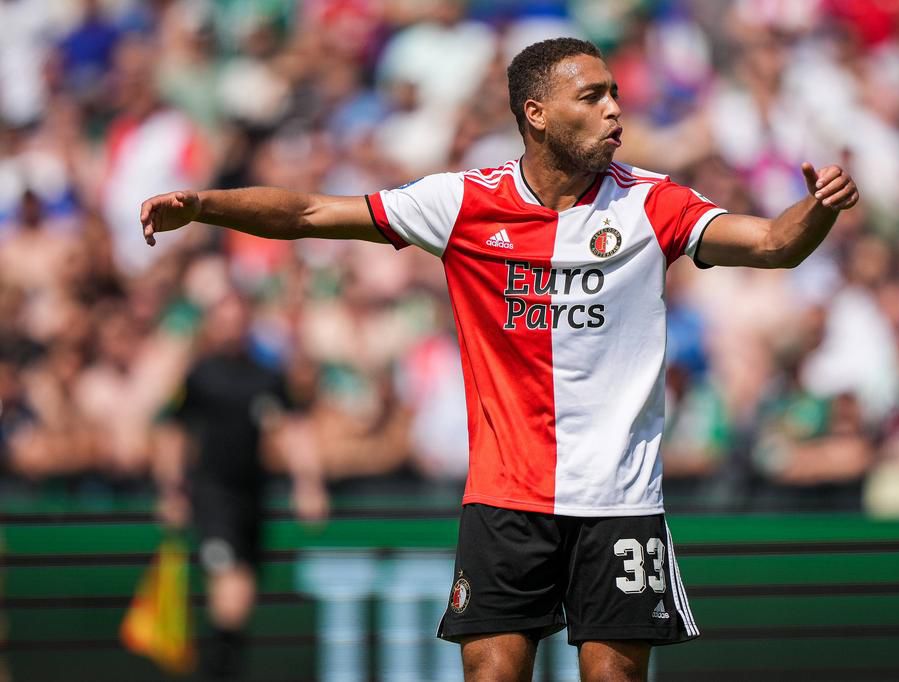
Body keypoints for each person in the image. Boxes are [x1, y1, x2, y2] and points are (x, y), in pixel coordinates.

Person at [141, 37, 858, 682]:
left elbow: (772, 243)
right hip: (506, 500)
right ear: (536, 114)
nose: (614, 109)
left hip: (619, 503)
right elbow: (308, 213)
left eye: (615, 93)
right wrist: (204, 205)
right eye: (592, 96)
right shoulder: (462, 202)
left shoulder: (652, 204)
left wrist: (819, 207)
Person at [155, 291, 326, 681]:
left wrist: (308, 484)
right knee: (229, 587)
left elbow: (294, 428)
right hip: (212, 496)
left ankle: (221, 667)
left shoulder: (267, 376)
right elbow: (174, 431)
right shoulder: (200, 375)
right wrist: (172, 489)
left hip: (251, 496)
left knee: (242, 594)